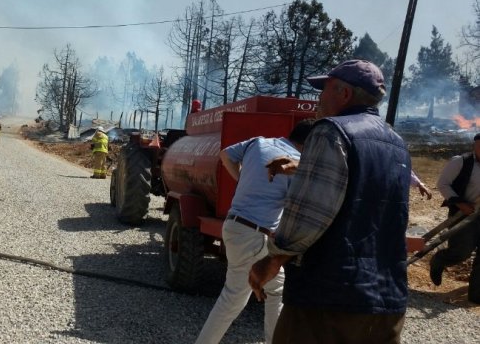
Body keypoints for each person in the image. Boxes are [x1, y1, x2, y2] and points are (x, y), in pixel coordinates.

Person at [248, 59, 412, 344]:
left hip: (328, 302)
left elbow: (311, 212)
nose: (318, 98)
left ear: (344, 93)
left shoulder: (331, 132)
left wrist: (273, 258)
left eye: (323, 90)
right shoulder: (397, 144)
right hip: (387, 302)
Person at [195, 119, 315, 344]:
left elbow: (225, 155)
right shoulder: (295, 163)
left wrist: (243, 180)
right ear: (308, 145)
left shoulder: (258, 142)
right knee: (267, 294)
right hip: (256, 233)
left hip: (233, 226)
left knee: (238, 298)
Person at [430, 132, 480, 303]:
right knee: (461, 252)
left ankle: (476, 296)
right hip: (464, 213)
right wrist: (460, 203)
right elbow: (443, 184)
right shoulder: (461, 162)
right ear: (475, 145)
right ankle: (440, 260)